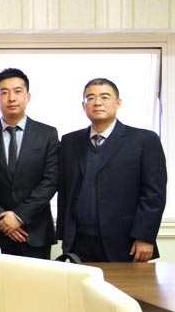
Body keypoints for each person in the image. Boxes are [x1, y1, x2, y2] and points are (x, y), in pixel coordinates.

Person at [57, 78, 167, 263]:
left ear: (118, 102)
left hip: (125, 241)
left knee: (124, 284)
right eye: (90, 98)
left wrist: (145, 237)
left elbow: (154, 194)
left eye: (104, 97)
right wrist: (65, 235)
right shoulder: (70, 141)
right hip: (79, 241)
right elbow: (65, 190)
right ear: (84, 106)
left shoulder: (144, 140)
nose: (97, 102)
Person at [0, 68, 59, 259]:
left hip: (35, 232)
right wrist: (3, 218)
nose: (11, 98)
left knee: (36, 280)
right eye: (4, 92)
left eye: (17, 91)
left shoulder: (47, 134)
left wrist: (19, 216)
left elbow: (51, 181)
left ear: (28, 96)